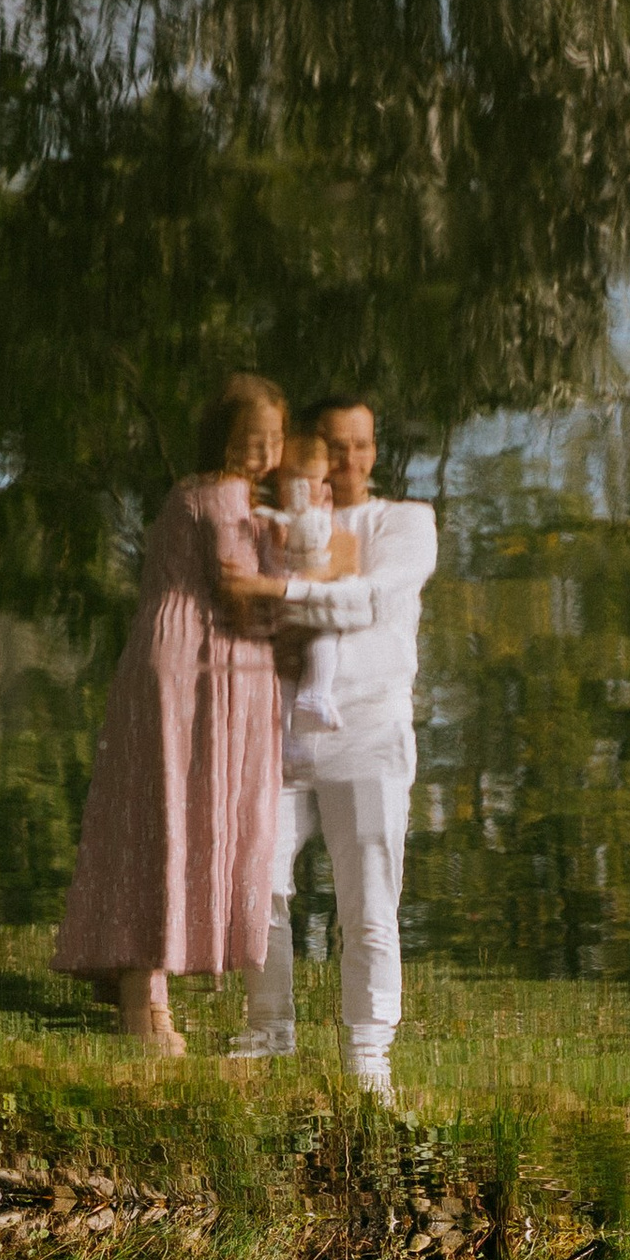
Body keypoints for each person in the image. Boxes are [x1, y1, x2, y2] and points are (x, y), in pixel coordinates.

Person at [52, 374, 289, 1054]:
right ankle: (142, 999)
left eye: (274, 440)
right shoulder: (222, 496)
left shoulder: (196, 492)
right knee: (171, 820)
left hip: (180, 656)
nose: (264, 453)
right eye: (252, 439)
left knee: (151, 813)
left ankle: (133, 976)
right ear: (223, 439)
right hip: (192, 661)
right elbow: (242, 591)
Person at [228, 394, 438, 1095]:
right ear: (308, 449)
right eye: (336, 446)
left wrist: (276, 590)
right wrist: (272, 594)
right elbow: (239, 608)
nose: (350, 461)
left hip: (370, 731)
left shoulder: (405, 522)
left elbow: (370, 599)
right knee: (258, 881)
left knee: (369, 901)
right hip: (282, 730)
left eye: (363, 445)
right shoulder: (269, 523)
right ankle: (268, 1029)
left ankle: (368, 1054)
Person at [253, 422, 359, 738]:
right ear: (280, 484)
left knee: (322, 640)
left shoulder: (325, 513)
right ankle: (289, 729)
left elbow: (338, 552)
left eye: (317, 479)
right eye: (296, 480)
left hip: (310, 597)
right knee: (292, 658)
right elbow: (270, 563)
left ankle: (313, 697)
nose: (309, 488)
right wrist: (277, 543)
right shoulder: (275, 519)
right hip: (285, 597)